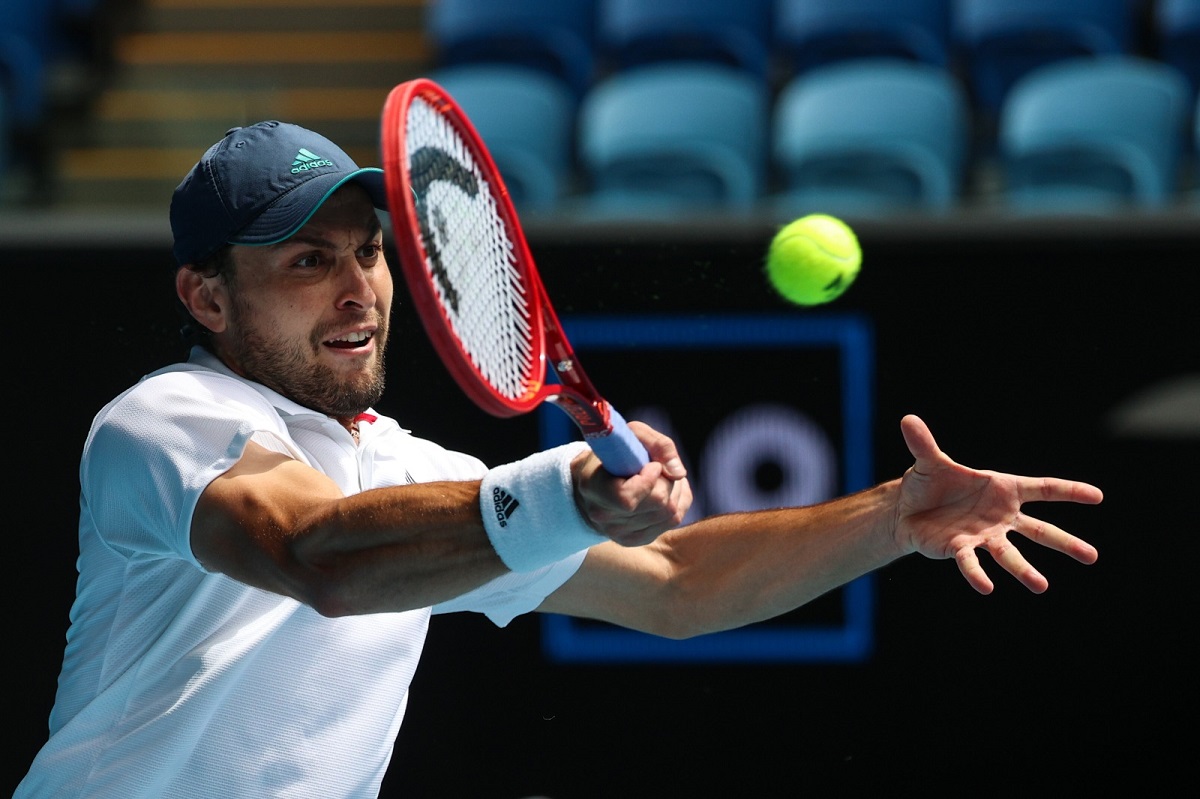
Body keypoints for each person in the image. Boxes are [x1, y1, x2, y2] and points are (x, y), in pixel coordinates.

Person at [15, 121, 1103, 798]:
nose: (358, 291)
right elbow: (316, 554)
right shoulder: (164, 419)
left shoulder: (403, 470)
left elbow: (675, 584)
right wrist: (569, 496)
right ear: (206, 297)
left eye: (370, 253)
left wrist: (891, 515)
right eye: (308, 262)